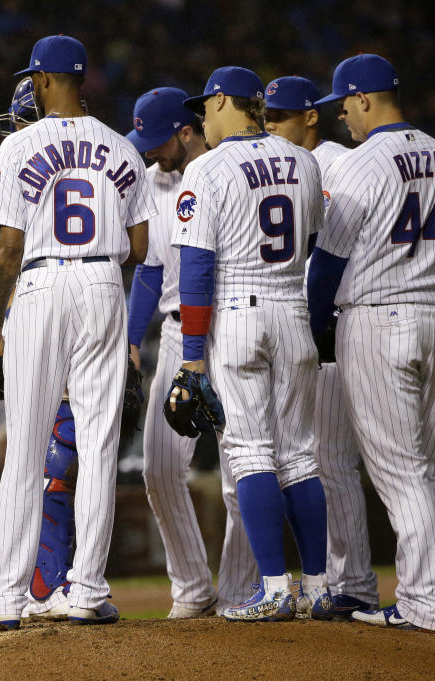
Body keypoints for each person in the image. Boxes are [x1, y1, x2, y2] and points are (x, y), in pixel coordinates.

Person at [0, 35, 153, 630]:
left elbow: (5, 250)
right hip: (104, 284)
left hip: (40, 284)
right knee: (100, 446)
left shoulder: (21, 144)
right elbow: (139, 247)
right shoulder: (122, 149)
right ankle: (86, 588)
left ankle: (6, 598)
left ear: (45, 80)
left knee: (26, 448)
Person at [307, 54, 435, 632]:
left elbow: (327, 265)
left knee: (401, 474)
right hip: (434, 315)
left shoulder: (364, 162)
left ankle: (424, 601)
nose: (341, 114)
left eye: (344, 103)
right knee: (426, 470)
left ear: (365, 98)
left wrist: (311, 326)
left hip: (377, 318)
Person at [169, 66, 332, 622]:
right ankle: (318, 585)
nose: (200, 119)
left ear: (220, 104)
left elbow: (195, 270)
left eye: (204, 108)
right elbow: (309, 239)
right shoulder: (304, 160)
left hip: (238, 309)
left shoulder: (206, 168)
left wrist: (191, 357)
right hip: (293, 303)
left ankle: (274, 588)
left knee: (250, 454)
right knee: (301, 456)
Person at [125, 86, 258, 617]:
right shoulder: (154, 182)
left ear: (187, 131)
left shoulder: (227, 171)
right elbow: (149, 270)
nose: (151, 152)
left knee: (240, 471)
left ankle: (240, 588)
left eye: (158, 141)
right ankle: (192, 588)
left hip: (232, 325)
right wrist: (133, 341)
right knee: (157, 467)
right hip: (179, 332)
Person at [0, 77, 80, 622]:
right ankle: (39, 586)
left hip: (73, 317)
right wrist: (7, 321)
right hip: (32, 316)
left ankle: (64, 582)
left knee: (75, 455)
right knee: (44, 460)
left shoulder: (83, 162)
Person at [265, 75, 377, 618]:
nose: (272, 128)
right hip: (299, 324)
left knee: (330, 461)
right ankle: (340, 582)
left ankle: (351, 582)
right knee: (312, 459)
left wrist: (321, 319)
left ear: (310, 116)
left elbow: (337, 252)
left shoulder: (334, 161)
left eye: (281, 118)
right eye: (266, 118)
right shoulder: (278, 165)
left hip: (331, 322)